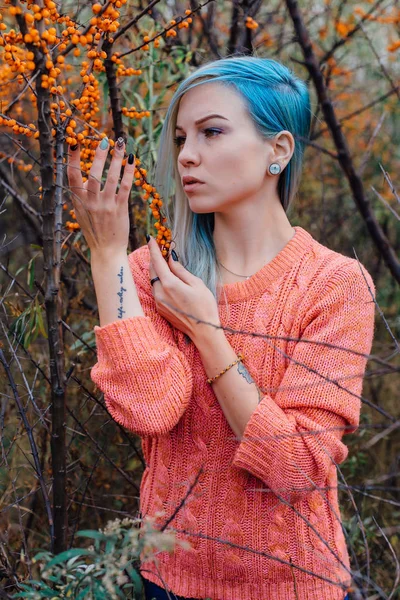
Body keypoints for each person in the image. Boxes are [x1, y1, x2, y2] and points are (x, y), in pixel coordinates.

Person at [67, 56, 375, 600]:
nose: (187, 155)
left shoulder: (334, 285)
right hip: (171, 582)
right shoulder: (152, 271)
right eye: (182, 136)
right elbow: (149, 408)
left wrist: (207, 332)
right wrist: (108, 256)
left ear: (277, 151)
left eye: (212, 132)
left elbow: (299, 469)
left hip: (296, 587)